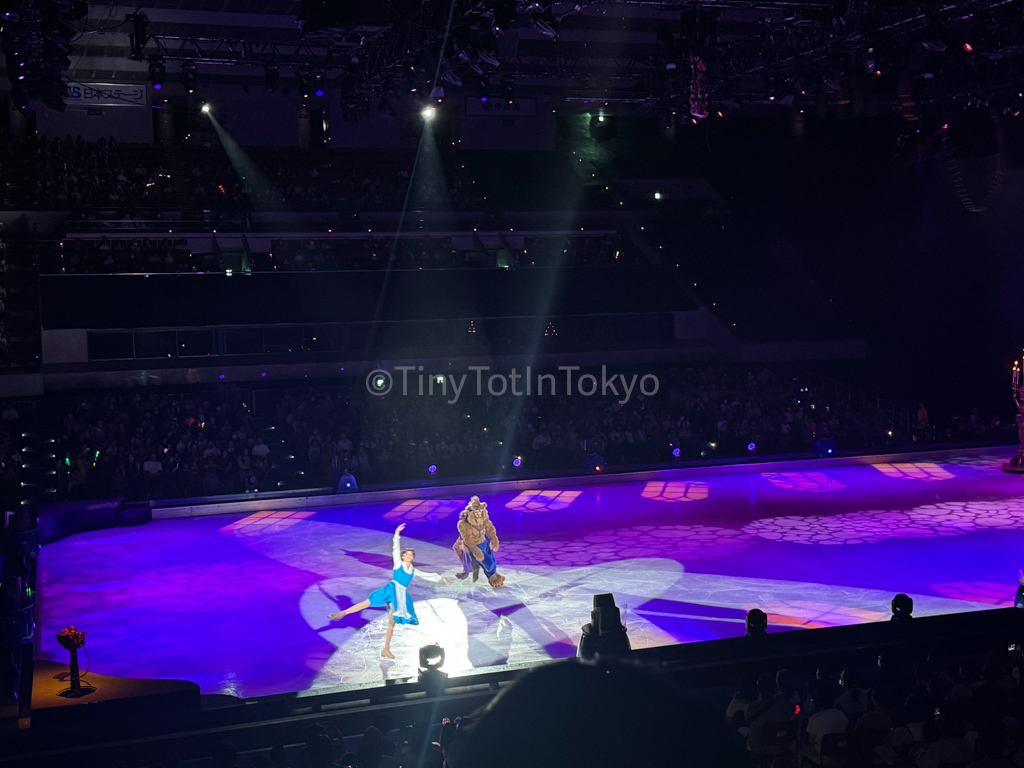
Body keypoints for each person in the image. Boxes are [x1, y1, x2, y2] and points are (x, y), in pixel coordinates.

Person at [327, 524, 450, 659]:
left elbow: (427, 575)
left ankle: (386, 649)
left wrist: (440, 578)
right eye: (407, 554)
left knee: (392, 622)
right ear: (403, 556)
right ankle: (342, 614)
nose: (409, 556)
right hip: (391, 589)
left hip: (401, 595)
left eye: (411, 555)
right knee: (367, 603)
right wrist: (397, 534)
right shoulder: (398, 564)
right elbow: (395, 550)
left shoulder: (414, 570)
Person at [453, 496, 504, 587]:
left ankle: (495, 574)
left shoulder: (484, 519)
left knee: (492, 560)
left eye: (480, 512)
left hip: (483, 542)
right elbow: (467, 538)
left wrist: (494, 538)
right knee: (485, 562)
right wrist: (475, 549)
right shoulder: (463, 524)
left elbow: (490, 528)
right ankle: (492, 578)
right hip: (473, 545)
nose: (479, 514)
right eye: (476, 513)